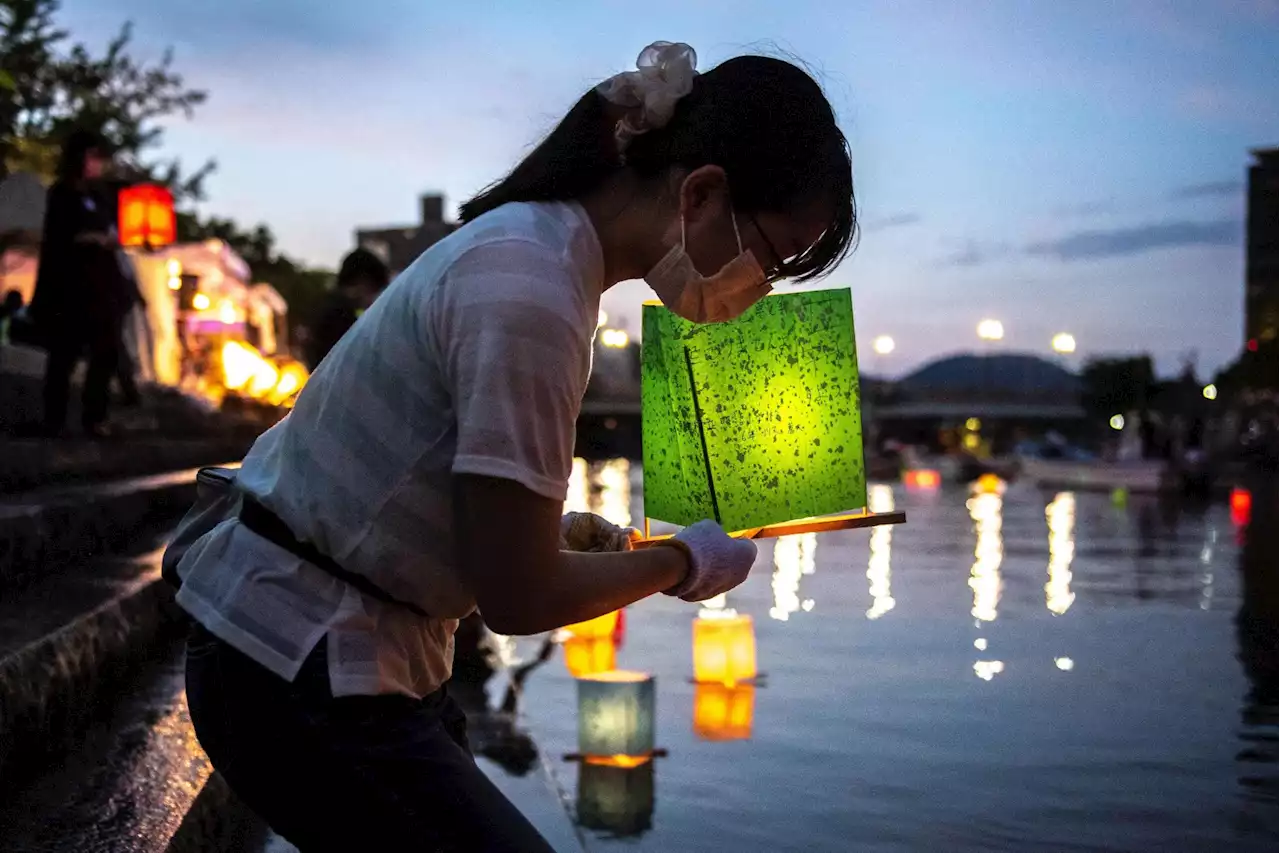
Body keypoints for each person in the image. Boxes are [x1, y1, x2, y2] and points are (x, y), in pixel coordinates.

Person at [177, 41, 856, 851]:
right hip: (298, 662)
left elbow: (433, 483)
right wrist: (686, 562)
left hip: (330, 647)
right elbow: (520, 598)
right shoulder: (534, 287)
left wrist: (555, 526)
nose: (758, 291)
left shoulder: (537, 252)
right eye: (769, 259)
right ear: (703, 192)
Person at [29, 130, 132, 438]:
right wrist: (92, 239)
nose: (98, 165)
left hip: (102, 290)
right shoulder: (63, 194)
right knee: (64, 354)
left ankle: (94, 418)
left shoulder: (100, 198)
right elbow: (60, 238)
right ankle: (54, 420)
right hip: (70, 289)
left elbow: (114, 231)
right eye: (93, 158)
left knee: (105, 352)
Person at [304, 247, 390, 370]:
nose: (373, 300)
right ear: (363, 282)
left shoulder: (325, 306)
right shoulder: (342, 315)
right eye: (374, 291)